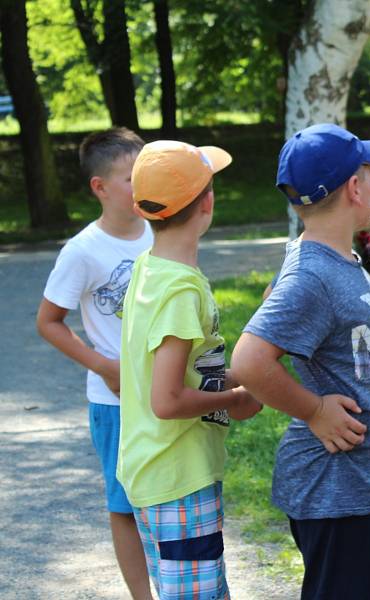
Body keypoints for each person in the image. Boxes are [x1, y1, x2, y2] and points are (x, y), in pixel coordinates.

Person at [230, 124, 370, 600]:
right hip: (335, 490)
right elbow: (249, 360)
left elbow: (275, 300)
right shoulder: (314, 272)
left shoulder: (338, 259)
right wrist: (313, 410)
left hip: (369, 482)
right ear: (355, 187)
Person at [118, 140, 262, 599]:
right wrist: (235, 398)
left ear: (141, 208)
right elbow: (167, 400)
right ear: (209, 202)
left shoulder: (149, 268)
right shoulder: (180, 290)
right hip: (178, 477)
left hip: (155, 471)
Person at [36, 127, 153, 600]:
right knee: (125, 506)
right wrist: (104, 366)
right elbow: (49, 322)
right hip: (116, 402)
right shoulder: (83, 251)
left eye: (146, 174)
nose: (141, 187)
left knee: (167, 499)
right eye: (130, 178)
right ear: (99, 188)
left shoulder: (160, 230)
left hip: (168, 396)